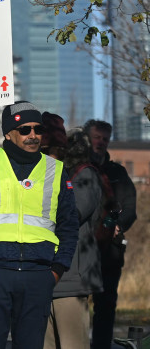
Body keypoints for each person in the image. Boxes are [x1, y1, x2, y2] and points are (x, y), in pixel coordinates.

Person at [0, 101, 79, 349]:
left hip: (37, 275)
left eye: (38, 129)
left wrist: (56, 270)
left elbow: (69, 225)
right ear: (8, 133)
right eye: (24, 130)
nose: (33, 135)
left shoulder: (55, 170)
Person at [45, 128, 106, 349]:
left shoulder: (84, 175)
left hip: (70, 281)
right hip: (44, 281)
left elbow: (74, 213)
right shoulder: (54, 175)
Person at [84, 119, 138, 349]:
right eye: (96, 137)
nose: (100, 142)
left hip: (110, 252)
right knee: (75, 306)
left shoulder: (118, 172)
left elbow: (130, 207)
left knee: (105, 307)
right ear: (87, 139)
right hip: (82, 249)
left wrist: (115, 224)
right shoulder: (78, 170)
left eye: (105, 139)